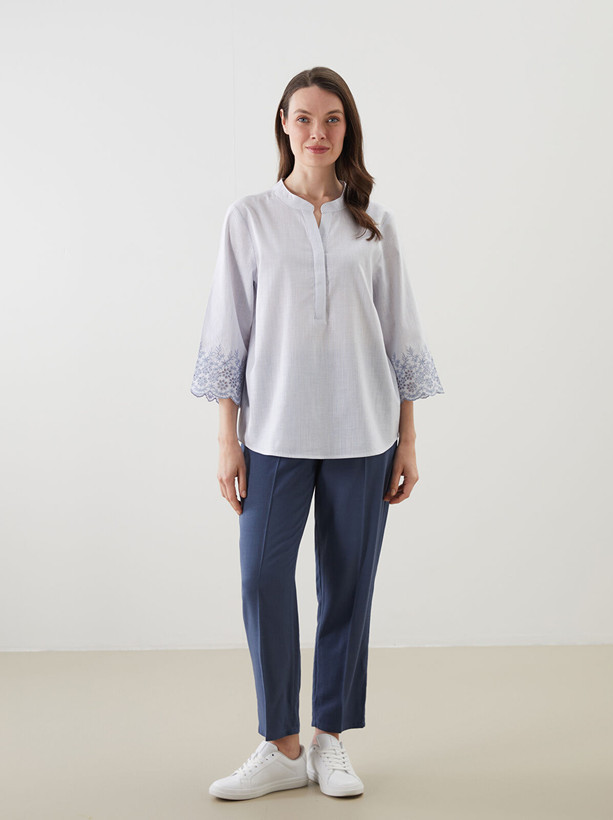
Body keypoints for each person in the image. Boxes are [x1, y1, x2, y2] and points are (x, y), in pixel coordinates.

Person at [190, 66, 444, 801]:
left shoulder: (374, 224)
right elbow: (227, 333)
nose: (318, 132)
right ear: (283, 124)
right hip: (272, 433)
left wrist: (408, 438)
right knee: (262, 578)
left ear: (347, 129)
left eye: (332, 119)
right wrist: (227, 438)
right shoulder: (249, 218)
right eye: (303, 118)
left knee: (347, 587)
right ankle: (280, 745)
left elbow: (400, 335)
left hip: (364, 434)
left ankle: (330, 739)